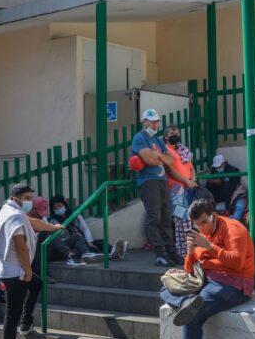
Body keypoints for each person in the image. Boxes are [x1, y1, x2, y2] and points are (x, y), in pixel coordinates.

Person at [160, 199, 255, 339]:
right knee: (165, 287)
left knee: (191, 316)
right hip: (204, 280)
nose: (201, 227)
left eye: (204, 222)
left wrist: (210, 246)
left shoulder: (233, 228)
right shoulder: (198, 234)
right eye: (197, 224)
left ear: (214, 214)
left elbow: (236, 262)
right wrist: (190, 251)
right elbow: (189, 269)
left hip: (233, 283)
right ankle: (187, 301)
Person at [0, 183, 62, 339]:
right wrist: (28, 271)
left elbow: (32, 222)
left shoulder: (10, 210)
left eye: (31, 198)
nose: (29, 202)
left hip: (11, 268)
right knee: (11, 313)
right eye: (27, 199)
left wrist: (52, 228)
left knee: (37, 284)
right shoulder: (14, 216)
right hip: (15, 272)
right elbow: (21, 246)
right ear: (16, 198)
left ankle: (26, 323)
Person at [130, 108, 183, 267]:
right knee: (154, 218)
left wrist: (157, 156)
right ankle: (160, 253)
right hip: (148, 181)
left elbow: (171, 160)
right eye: (152, 121)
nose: (155, 124)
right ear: (144, 122)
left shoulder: (159, 141)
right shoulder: (139, 138)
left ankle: (170, 250)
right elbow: (148, 159)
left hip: (161, 180)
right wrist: (160, 158)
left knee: (167, 218)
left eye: (157, 121)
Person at [48, 196, 127, 265]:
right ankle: (92, 254)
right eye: (55, 208)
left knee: (98, 243)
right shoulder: (53, 221)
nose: (58, 209)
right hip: (69, 244)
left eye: (60, 206)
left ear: (64, 205)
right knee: (78, 239)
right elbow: (58, 240)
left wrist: (89, 241)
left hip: (81, 241)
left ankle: (115, 250)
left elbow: (85, 228)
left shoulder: (75, 215)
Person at [164, 125, 199, 257]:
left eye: (177, 133)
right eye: (172, 133)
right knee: (182, 219)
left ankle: (184, 250)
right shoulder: (166, 150)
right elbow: (171, 171)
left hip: (188, 187)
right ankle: (183, 250)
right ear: (166, 136)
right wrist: (186, 181)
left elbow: (190, 166)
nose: (176, 136)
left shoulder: (182, 150)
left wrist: (193, 179)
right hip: (175, 188)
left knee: (186, 219)